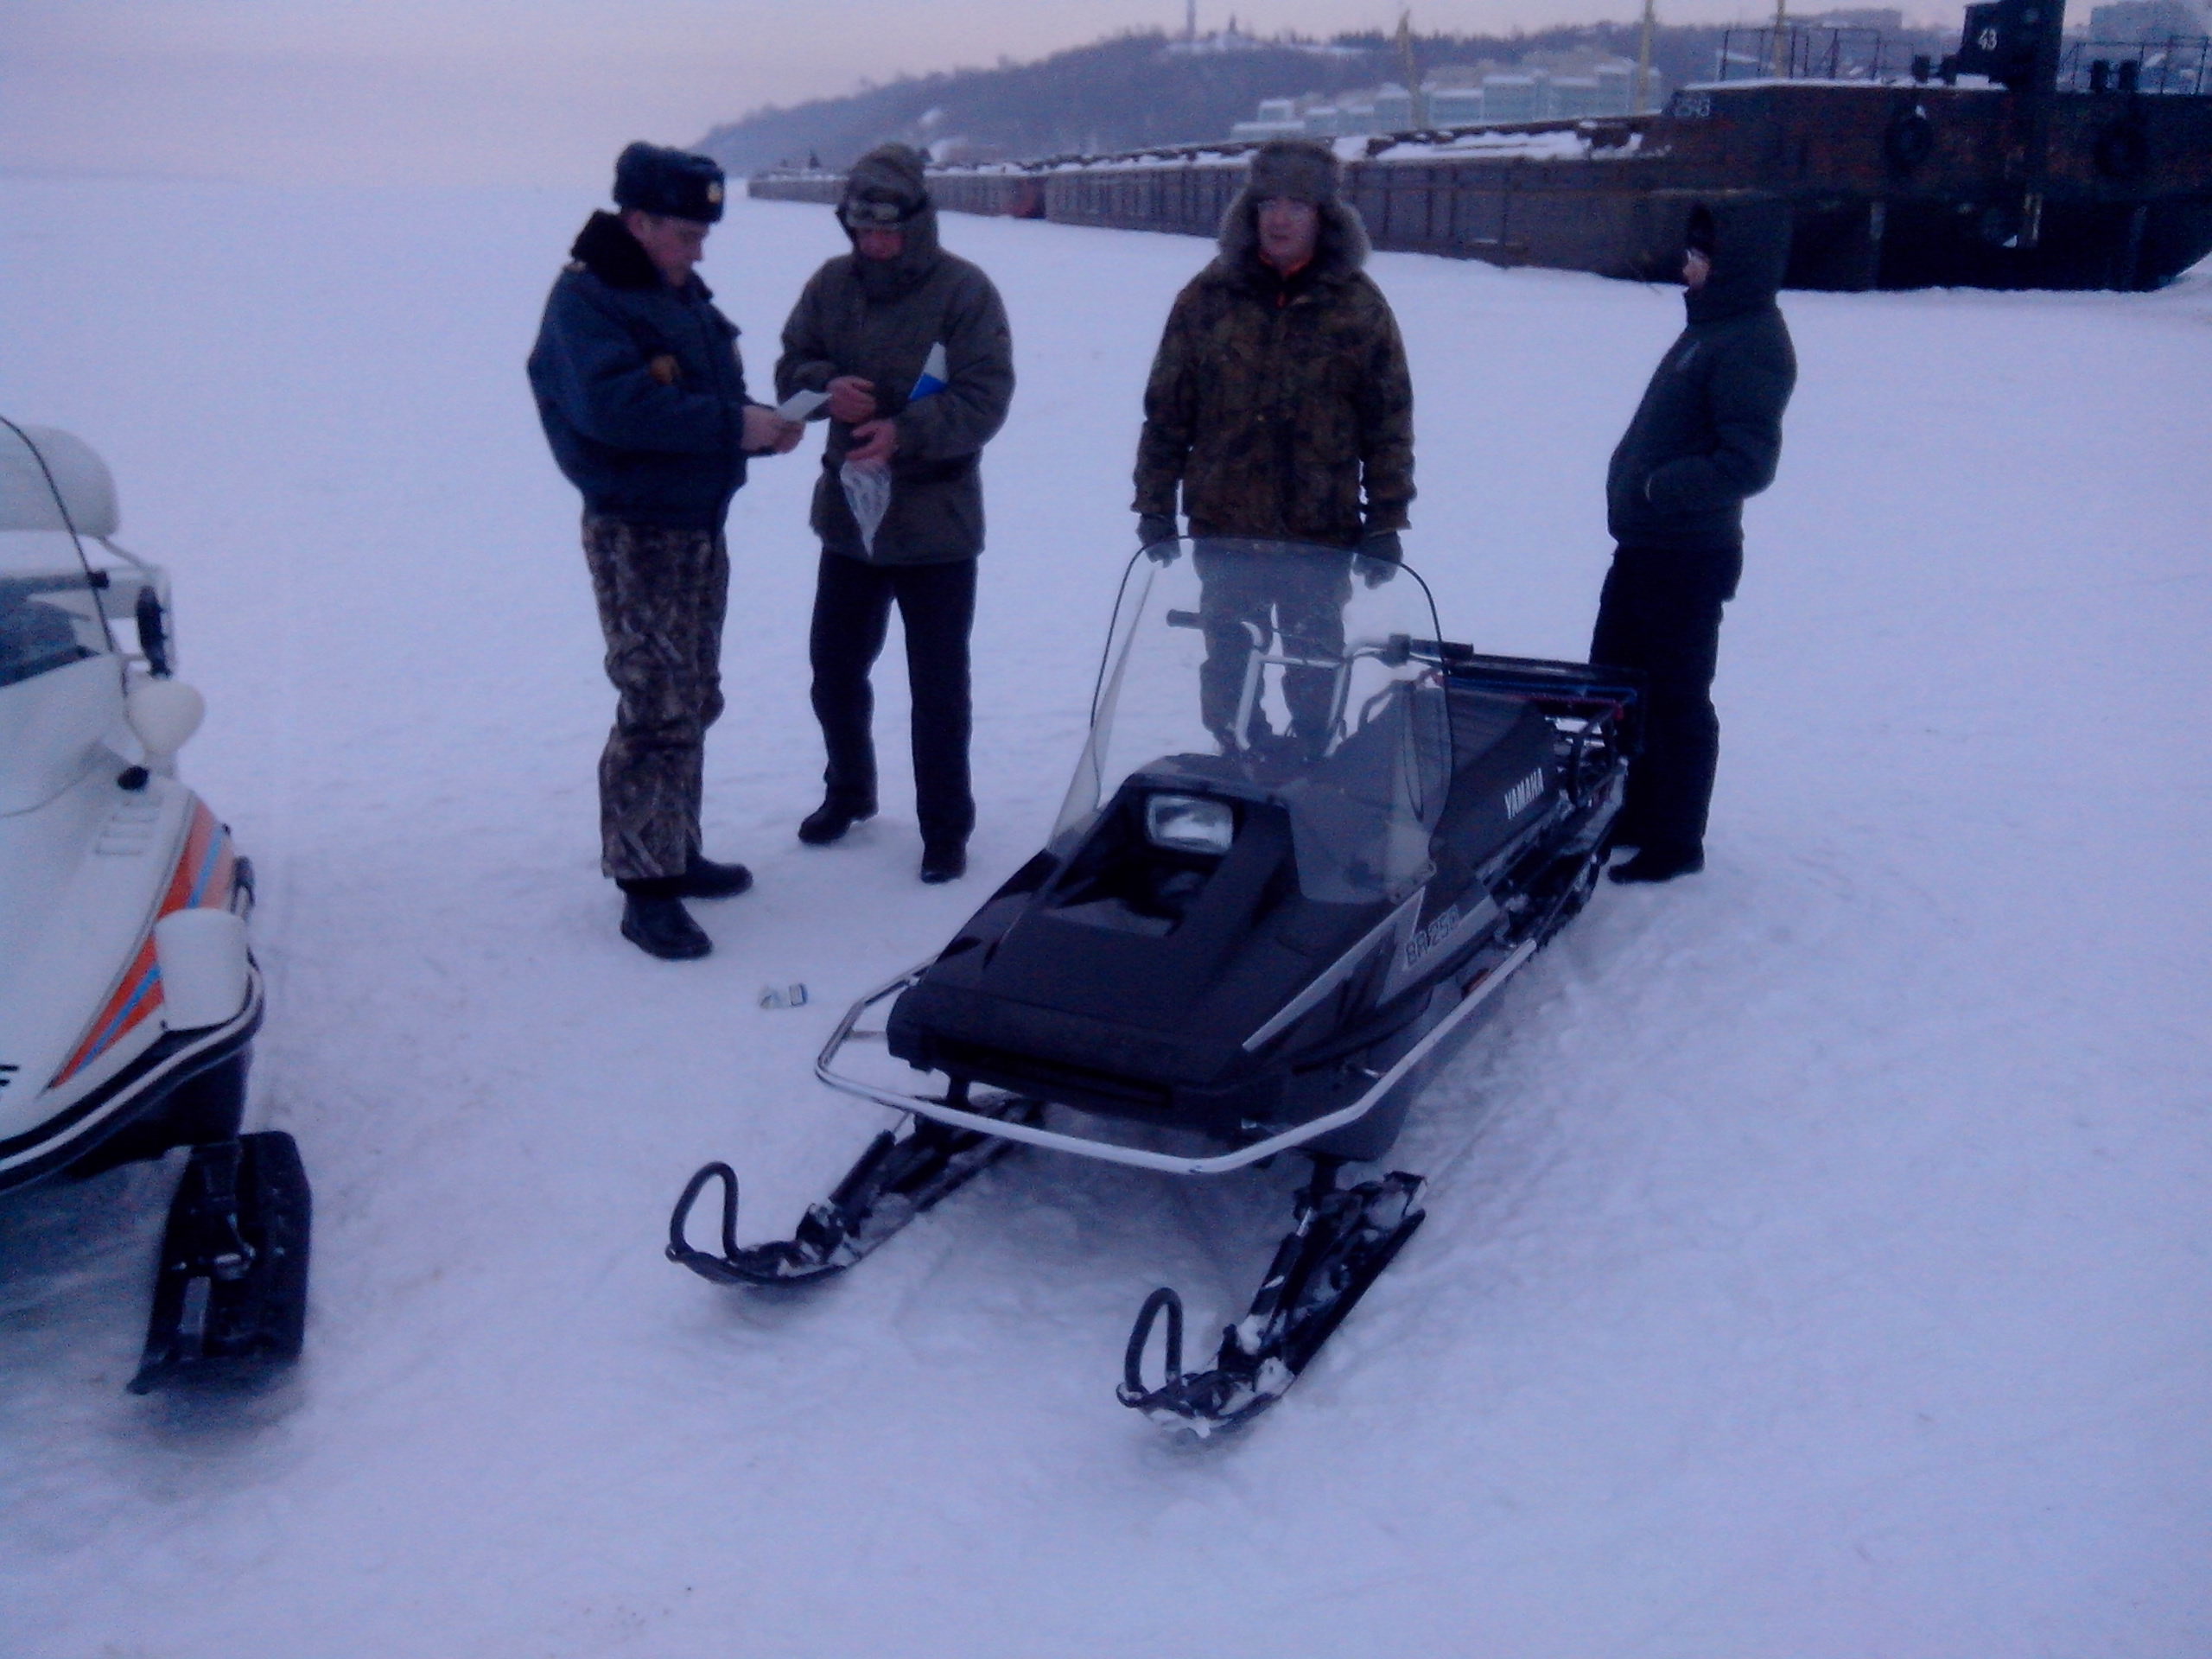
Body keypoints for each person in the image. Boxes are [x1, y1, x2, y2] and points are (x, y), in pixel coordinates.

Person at [528, 142, 801, 959]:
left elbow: (697, 396)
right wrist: (733, 426)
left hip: (695, 526)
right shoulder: (590, 299)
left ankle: (672, 847)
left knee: (694, 693)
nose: (700, 246)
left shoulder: (672, 292)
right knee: (654, 701)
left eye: (703, 230)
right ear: (638, 221)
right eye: (685, 231)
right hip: (636, 530)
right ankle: (645, 887)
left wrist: (761, 426)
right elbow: (617, 409)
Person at [775, 143, 1015, 884]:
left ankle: (946, 827)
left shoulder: (964, 292)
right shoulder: (831, 285)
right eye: (862, 230)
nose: (875, 244)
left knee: (938, 689)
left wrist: (904, 434)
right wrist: (824, 388)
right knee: (834, 672)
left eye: (888, 231)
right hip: (850, 522)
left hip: (937, 527)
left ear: (918, 223)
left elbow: (986, 396)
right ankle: (849, 793)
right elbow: (791, 369)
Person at [1131, 137, 1414, 756]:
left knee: (1316, 668)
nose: (1281, 218)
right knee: (1229, 662)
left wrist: (1386, 519)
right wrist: (1154, 503)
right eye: (1269, 203)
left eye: (1298, 205)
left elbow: (1388, 421)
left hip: (1318, 530)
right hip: (1226, 525)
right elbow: (1167, 411)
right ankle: (1239, 756)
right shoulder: (1206, 299)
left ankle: (1313, 762)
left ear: (1325, 217)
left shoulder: (1358, 307)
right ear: (1250, 211)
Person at [1593, 200, 1796, 884]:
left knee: (1677, 696)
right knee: (1621, 683)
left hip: (1687, 555)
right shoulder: (1711, 330)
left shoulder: (1753, 341)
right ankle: (1638, 811)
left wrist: (1659, 488)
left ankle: (1677, 839)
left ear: (1729, 266)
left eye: (1698, 259)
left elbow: (1749, 462)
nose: (1686, 269)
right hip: (1647, 549)